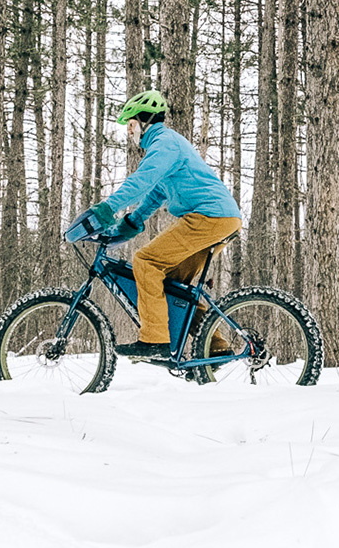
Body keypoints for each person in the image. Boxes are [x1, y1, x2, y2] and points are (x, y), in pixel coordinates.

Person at [71, 90, 242, 359]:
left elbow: (141, 182)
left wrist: (107, 209)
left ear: (145, 120)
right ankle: (216, 346)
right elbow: (156, 193)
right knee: (174, 285)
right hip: (220, 218)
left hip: (210, 217)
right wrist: (131, 221)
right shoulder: (166, 146)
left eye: (131, 124)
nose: (129, 132)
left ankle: (155, 340)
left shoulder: (164, 143)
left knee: (146, 262)